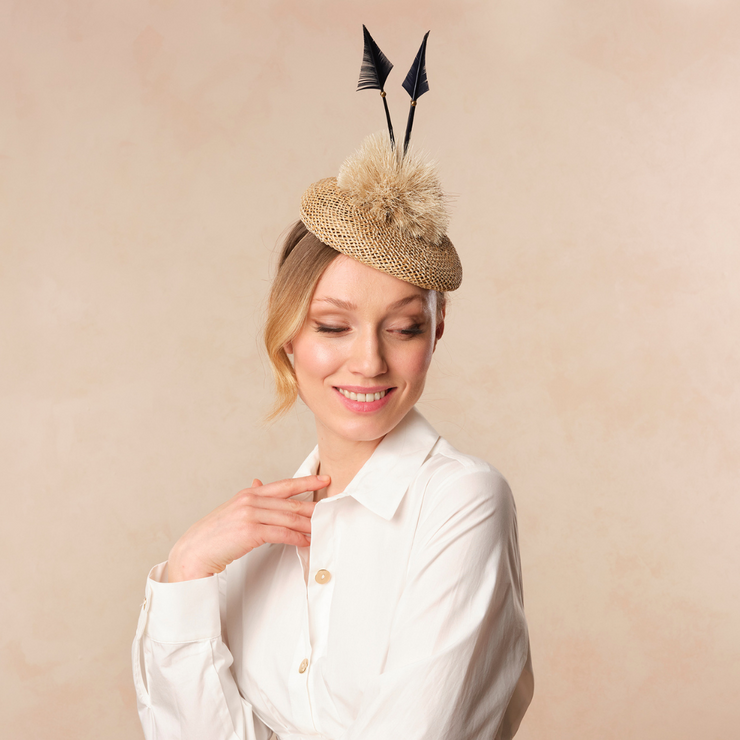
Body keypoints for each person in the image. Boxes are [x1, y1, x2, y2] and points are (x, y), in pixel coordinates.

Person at [132, 36, 533, 737]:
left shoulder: (460, 502)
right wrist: (187, 570)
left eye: (403, 328)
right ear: (288, 333)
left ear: (436, 333)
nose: (369, 362)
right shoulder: (253, 544)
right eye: (333, 326)